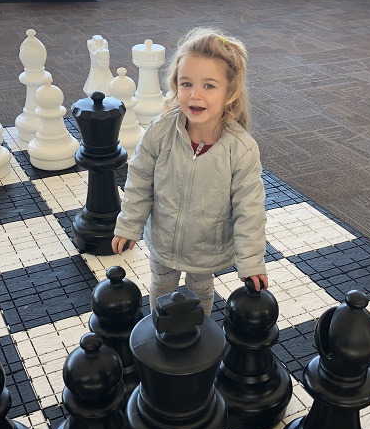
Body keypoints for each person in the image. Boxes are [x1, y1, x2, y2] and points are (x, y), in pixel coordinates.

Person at [112, 27, 268, 316]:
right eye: (186, 84)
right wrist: (129, 224)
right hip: (164, 238)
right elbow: (140, 181)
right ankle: (160, 331)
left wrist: (250, 261)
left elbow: (250, 210)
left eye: (209, 86)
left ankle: (199, 336)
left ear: (230, 91)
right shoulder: (160, 131)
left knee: (200, 292)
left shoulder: (242, 149)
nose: (195, 95)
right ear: (175, 85)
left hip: (206, 246)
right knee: (161, 287)